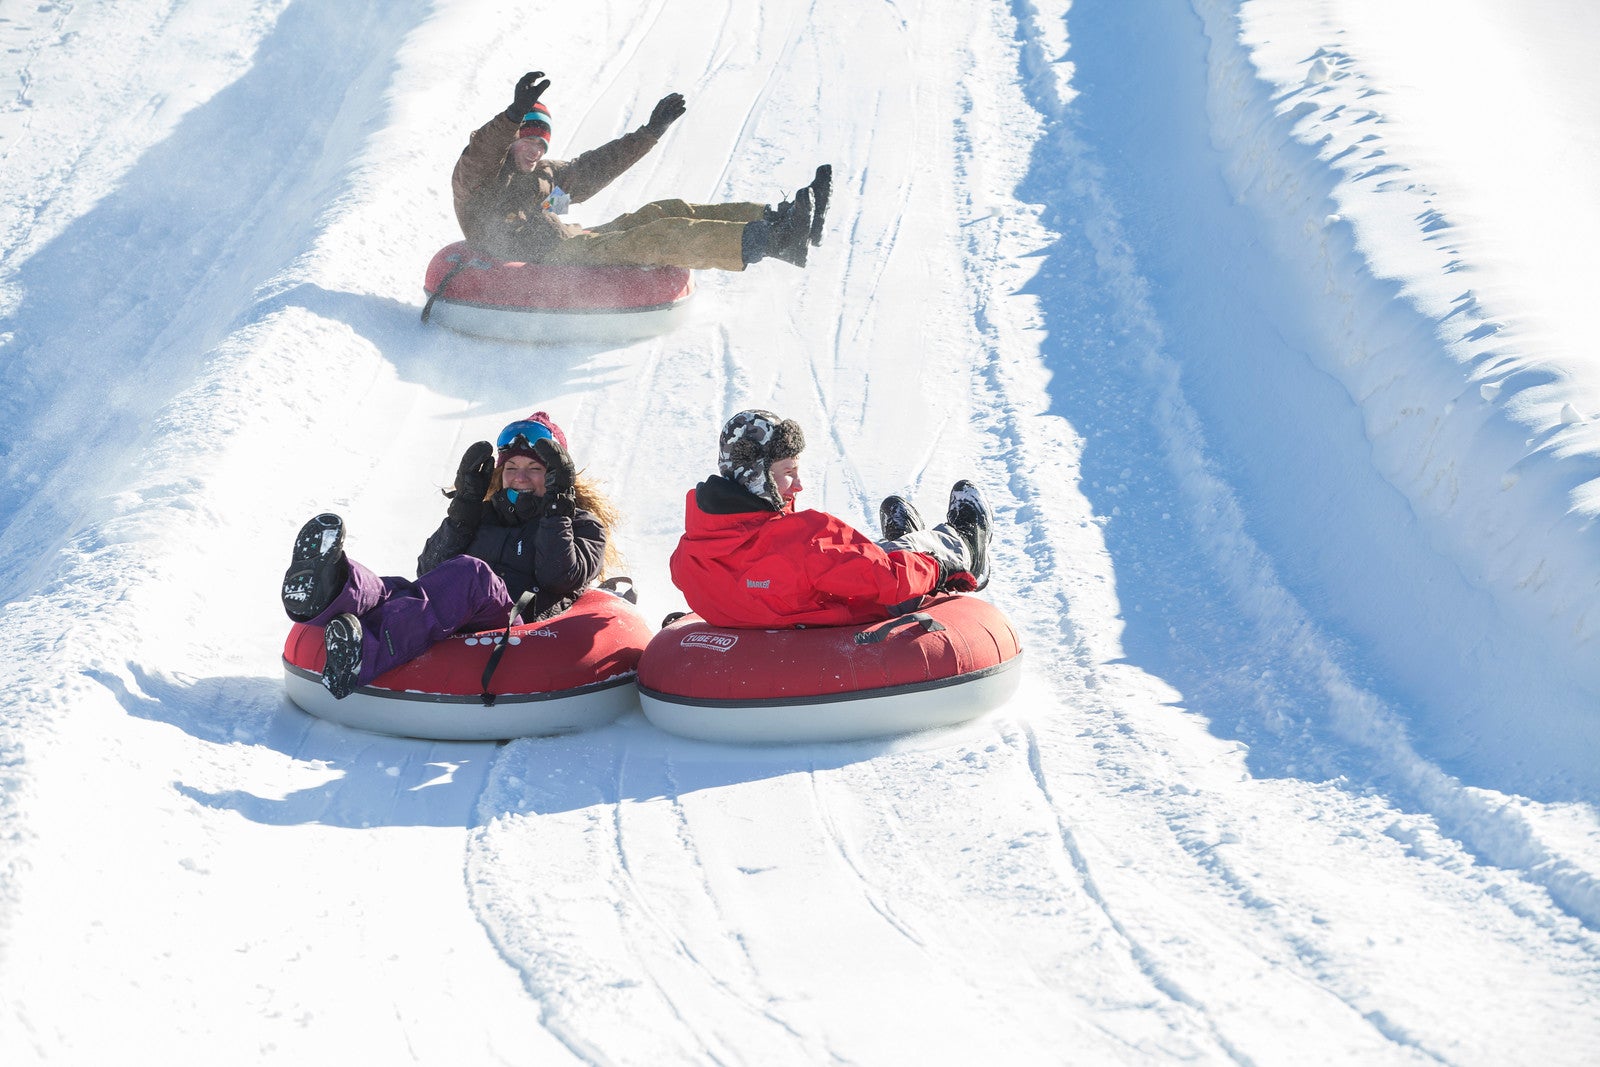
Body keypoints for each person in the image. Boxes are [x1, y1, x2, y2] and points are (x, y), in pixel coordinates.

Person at [280, 412, 618, 699]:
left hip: (517, 622)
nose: (520, 477)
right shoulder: (485, 514)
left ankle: (363, 656)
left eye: (534, 468)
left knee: (473, 575)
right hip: (462, 611)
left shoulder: (580, 523)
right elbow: (429, 571)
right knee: (396, 590)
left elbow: (559, 577)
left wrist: (556, 509)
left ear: (556, 476)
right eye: (512, 466)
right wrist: (464, 510)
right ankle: (329, 589)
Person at [452, 70, 832, 271]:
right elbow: (481, 151)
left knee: (663, 210)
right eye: (527, 141)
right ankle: (772, 241)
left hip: (570, 240)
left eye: (541, 144)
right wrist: (513, 115)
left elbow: (594, 167)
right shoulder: (480, 177)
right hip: (550, 258)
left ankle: (782, 220)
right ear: (511, 139)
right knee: (660, 234)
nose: (535, 150)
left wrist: (651, 133)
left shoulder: (545, 173)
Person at [669, 409, 994, 629]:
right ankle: (964, 545)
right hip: (866, 606)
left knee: (862, 557)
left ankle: (900, 543)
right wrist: (940, 567)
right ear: (756, 476)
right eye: (788, 473)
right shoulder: (804, 539)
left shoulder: (686, 558)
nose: (799, 485)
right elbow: (890, 581)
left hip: (804, 600)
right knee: (899, 559)